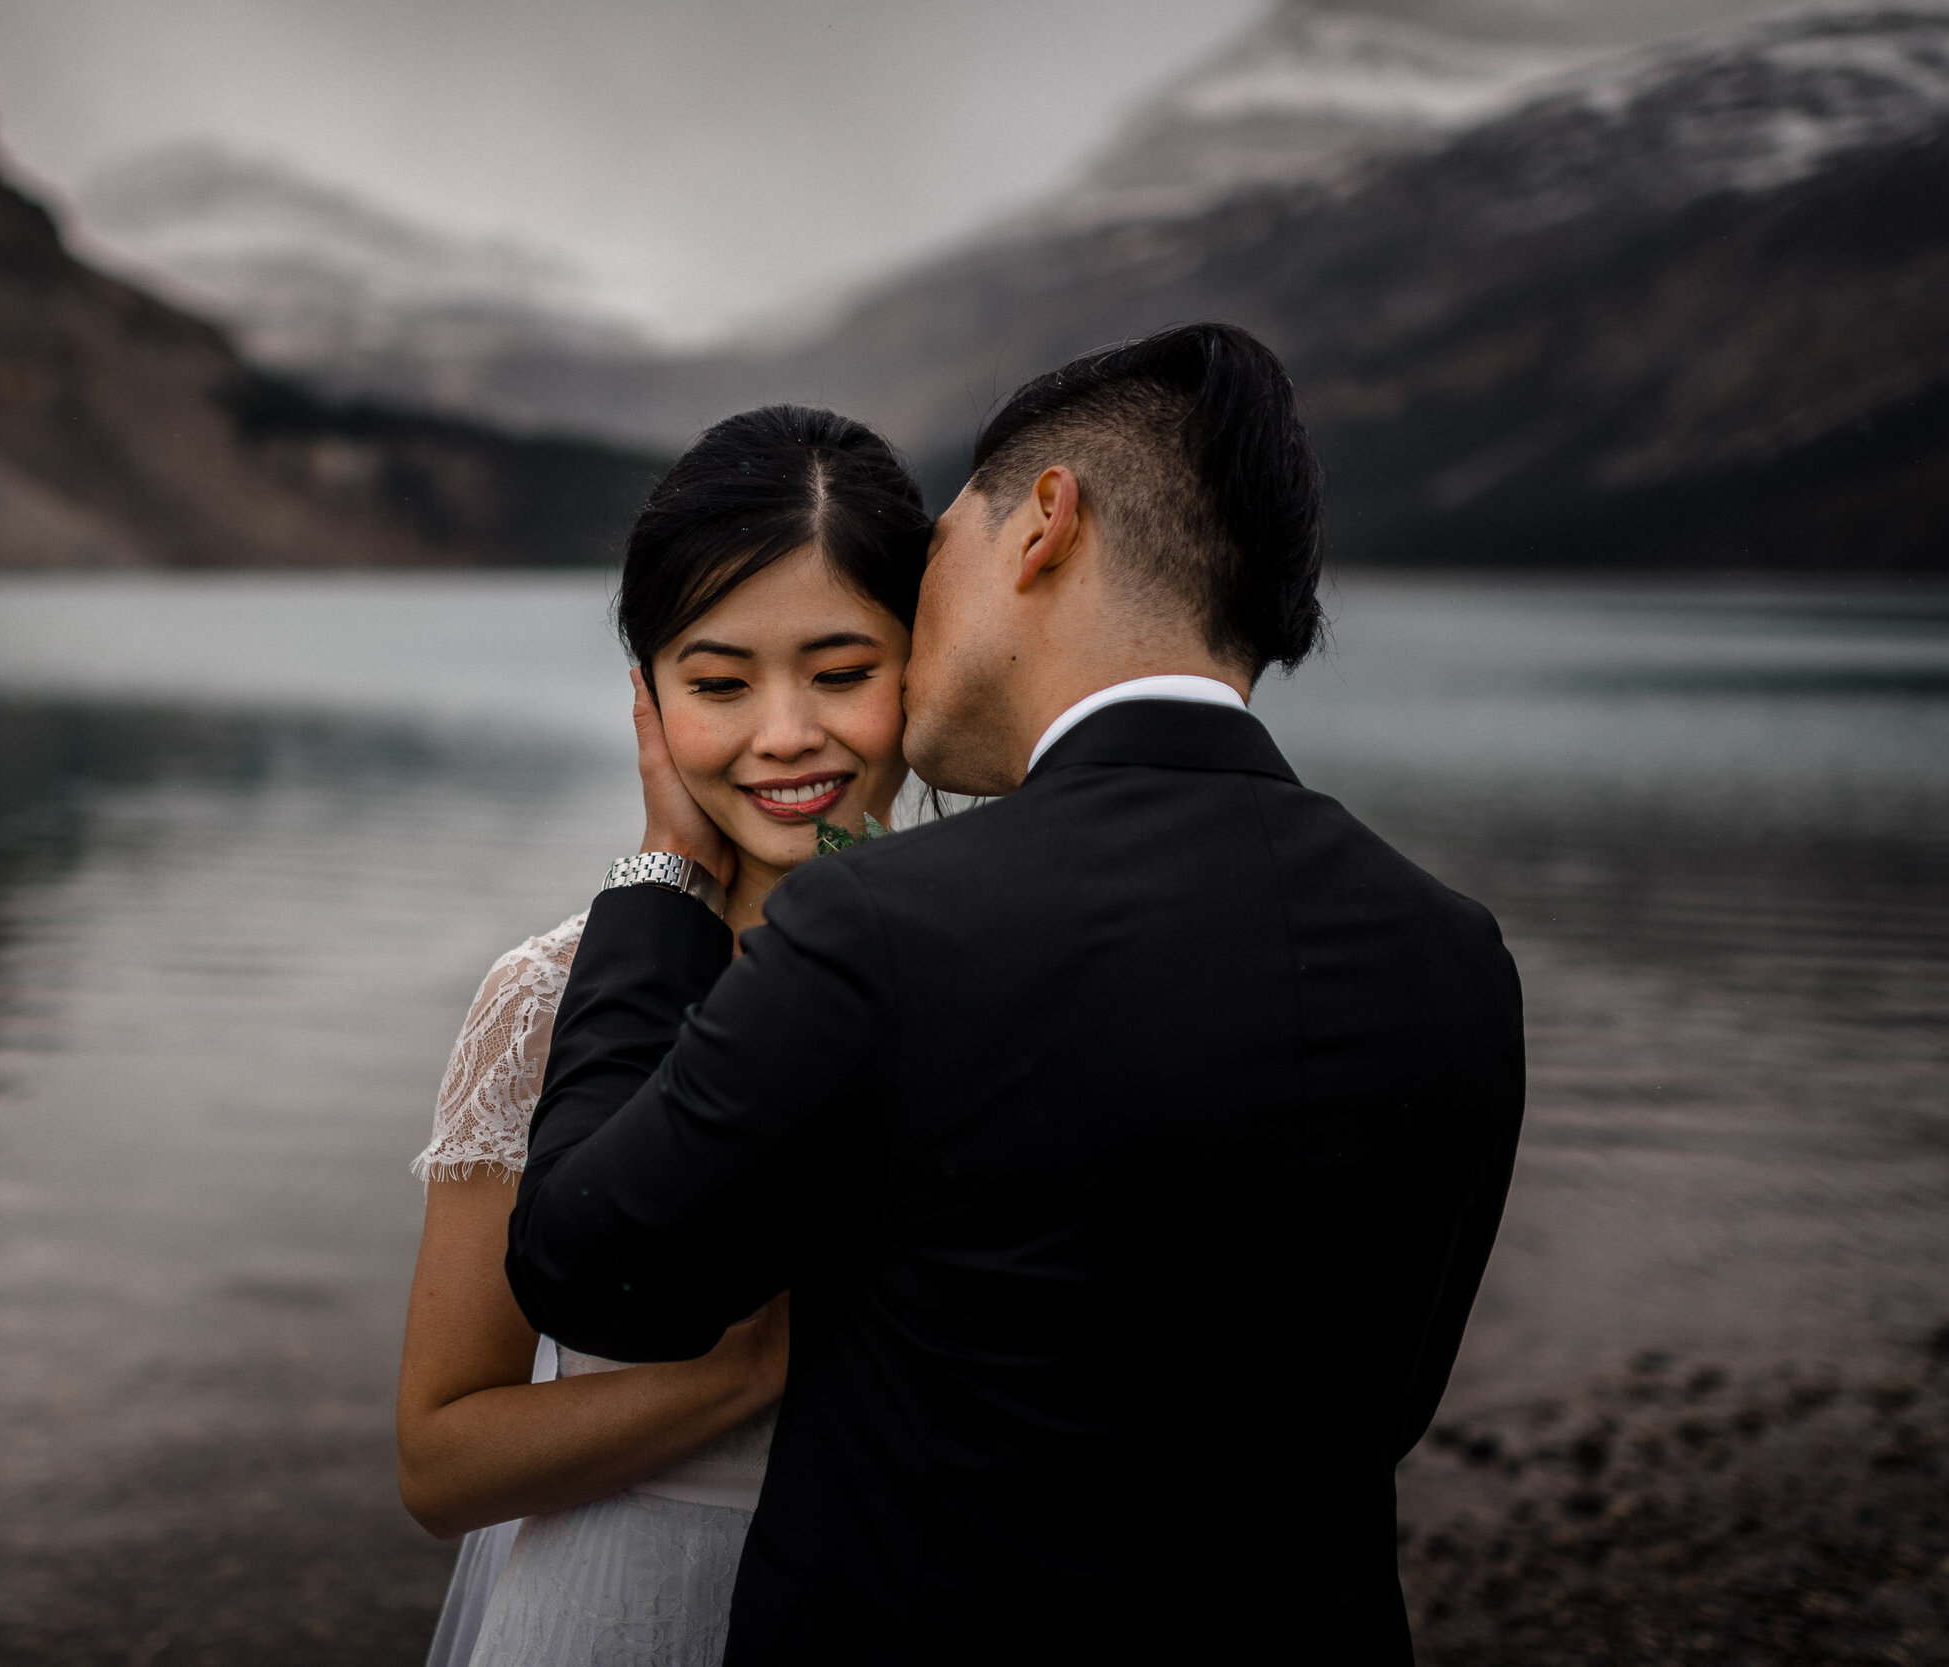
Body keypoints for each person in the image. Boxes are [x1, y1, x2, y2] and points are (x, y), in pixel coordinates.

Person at [507, 323, 1528, 1664]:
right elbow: (1383, 1403)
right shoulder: (1457, 955)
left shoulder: (887, 921)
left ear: (1041, 526)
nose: (918, 623)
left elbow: (587, 1263)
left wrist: (660, 877)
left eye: (938, 552)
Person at [397, 405, 937, 1666]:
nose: (785, 732)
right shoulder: (544, 996)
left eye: (843, 670)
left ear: (927, 661)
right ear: (646, 696)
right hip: (611, 1616)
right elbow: (438, 1461)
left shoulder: (1012, 957)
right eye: (718, 681)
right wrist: (736, 1375)